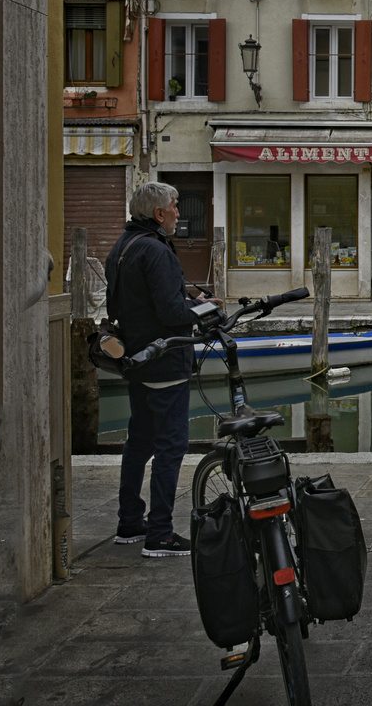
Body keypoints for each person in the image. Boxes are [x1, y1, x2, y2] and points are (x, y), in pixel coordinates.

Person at [104, 181, 208, 557]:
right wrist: (204, 310)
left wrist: (190, 295)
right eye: (176, 207)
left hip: (136, 360)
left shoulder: (122, 247)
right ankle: (160, 532)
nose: (180, 213)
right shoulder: (157, 250)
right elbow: (170, 312)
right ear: (159, 213)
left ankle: (130, 522)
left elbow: (125, 301)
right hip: (165, 362)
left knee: (139, 444)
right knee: (171, 446)